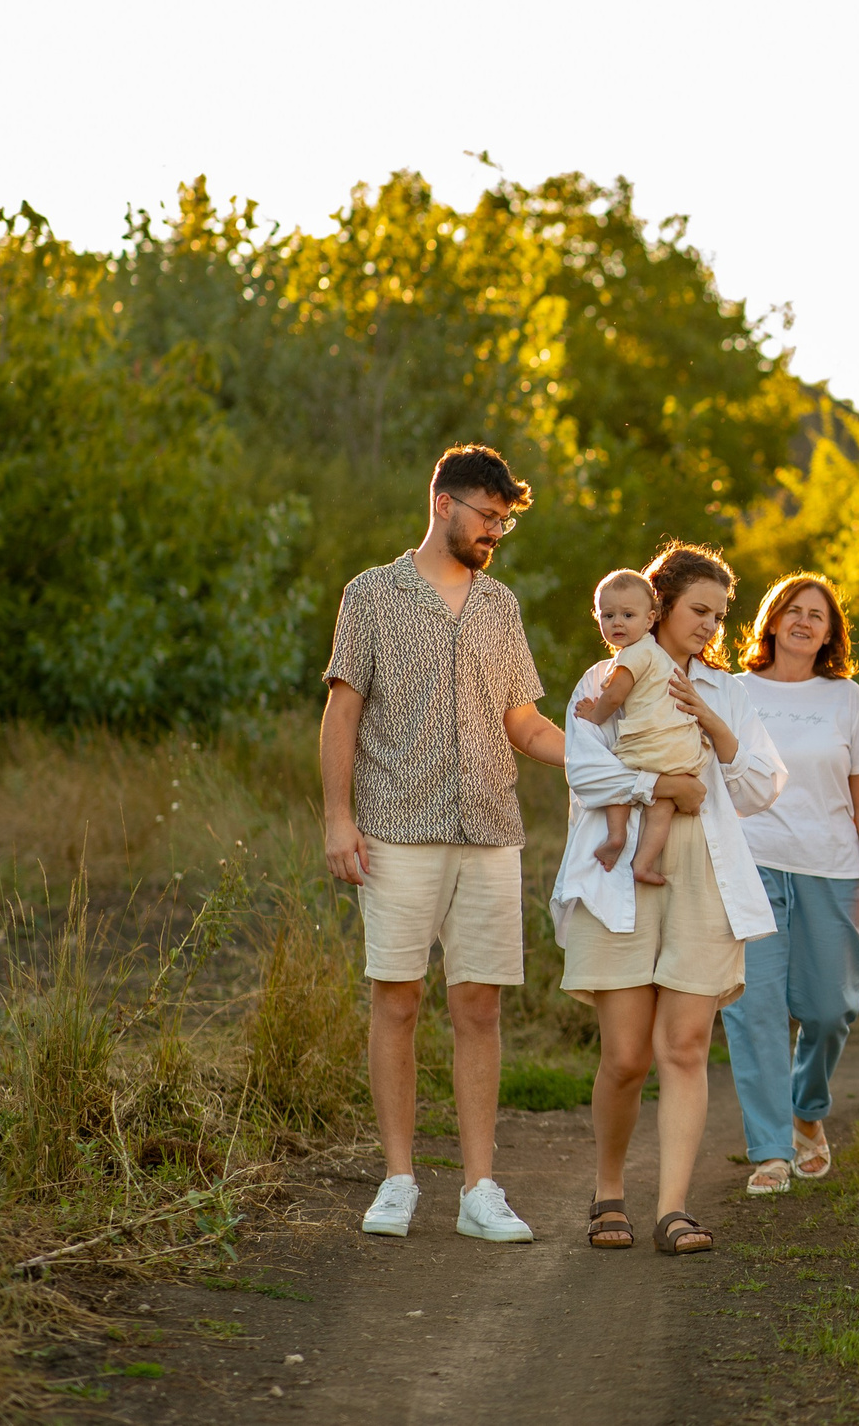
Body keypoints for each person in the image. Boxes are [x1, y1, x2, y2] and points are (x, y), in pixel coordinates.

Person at [322, 444, 568, 1244]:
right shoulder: (370, 594)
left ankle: (479, 1189)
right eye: (487, 516)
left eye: (504, 521)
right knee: (396, 996)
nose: (495, 531)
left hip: (490, 830)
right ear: (442, 504)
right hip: (397, 826)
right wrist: (337, 817)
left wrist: (605, 756)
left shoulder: (501, 606)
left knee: (480, 1006)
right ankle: (397, 1180)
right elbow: (343, 712)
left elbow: (522, 722)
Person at [551, 543, 783, 1256]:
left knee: (684, 1046)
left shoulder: (730, 689)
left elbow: (758, 788)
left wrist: (711, 723)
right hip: (620, 873)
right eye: (698, 609)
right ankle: (609, 1188)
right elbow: (583, 767)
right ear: (661, 604)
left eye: (719, 613)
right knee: (626, 1055)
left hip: (705, 879)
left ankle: (674, 1208)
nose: (711, 624)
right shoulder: (607, 675)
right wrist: (661, 788)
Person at [719, 573, 859, 1195]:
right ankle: (769, 1151)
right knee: (753, 1010)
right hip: (748, 866)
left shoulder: (849, 700)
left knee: (830, 1009)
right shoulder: (731, 690)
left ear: (830, 632)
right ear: (770, 619)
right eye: (792, 610)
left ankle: (807, 1111)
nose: (802, 621)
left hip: (833, 869)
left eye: (816, 615)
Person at [573, 567, 706, 887]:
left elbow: (615, 696)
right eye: (608, 615)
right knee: (661, 806)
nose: (617, 622)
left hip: (649, 742)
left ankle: (616, 837)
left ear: (650, 619)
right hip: (679, 748)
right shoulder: (657, 654)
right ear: (598, 618)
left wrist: (594, 715)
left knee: (618, 775)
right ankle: (644, 864)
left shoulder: (632, 655)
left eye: (628, 615)